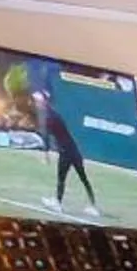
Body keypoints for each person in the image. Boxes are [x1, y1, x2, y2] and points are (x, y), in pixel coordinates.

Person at [30, 72, 99, 216]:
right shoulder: (54, 114)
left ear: (43, 101)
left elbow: (47, 138)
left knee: (61, 179)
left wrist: (46, 154)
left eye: (38, 100)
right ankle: (93, 206)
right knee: (83, 178)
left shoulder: (48, 117)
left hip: (65, 152)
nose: (36, 102)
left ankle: (58, 204)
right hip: (74, 150)